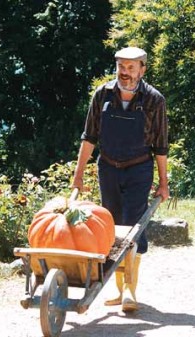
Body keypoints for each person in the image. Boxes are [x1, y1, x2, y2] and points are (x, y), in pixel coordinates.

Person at [72, 46, 169, 312]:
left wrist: (163, 182)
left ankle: (129, 289)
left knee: (134, 225)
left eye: (131, 68)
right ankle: (118, 291)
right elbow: (89, 137)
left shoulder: (154, 100)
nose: (124, 73)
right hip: (109, 167)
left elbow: (161, 145)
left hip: (139, 168)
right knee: (110, 224)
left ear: (142, 69)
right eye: (121, 67)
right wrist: (78, 175)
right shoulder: (102, 94)